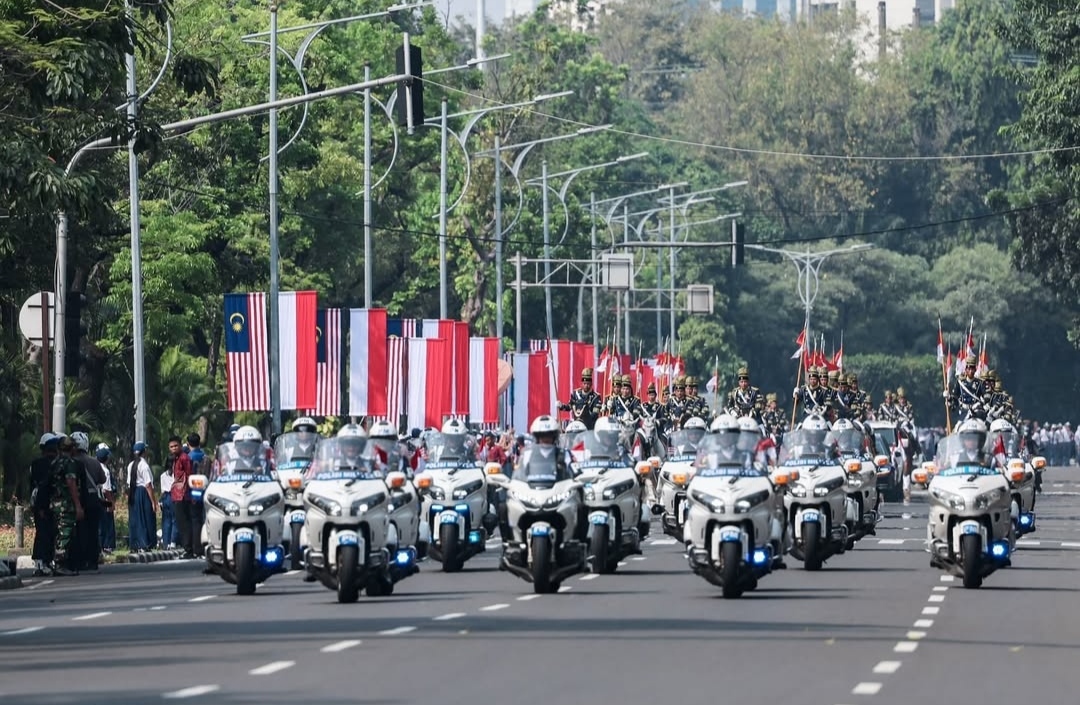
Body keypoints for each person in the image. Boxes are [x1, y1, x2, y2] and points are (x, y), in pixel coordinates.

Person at [50, 435, 84, 576]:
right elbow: (71, 483)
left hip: (54, 503)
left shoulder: (54, 463)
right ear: (72, 448)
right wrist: (78, 505)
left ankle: (60, 562)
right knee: (65, 533)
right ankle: (60, 564)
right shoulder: (69, 463)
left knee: (58, 533)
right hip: (65, 504)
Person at [30, 434, 60, 576]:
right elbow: (44, 487)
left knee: (44, 533)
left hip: (39, 504)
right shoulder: (53, 464)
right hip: (48, 504)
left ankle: (43, 562)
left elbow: (33, 488)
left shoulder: (36, 464)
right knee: (46, 534)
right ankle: (43, 562)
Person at [127, 442, 158, 551]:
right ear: (144, 452)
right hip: (143, 492)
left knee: (135, 518)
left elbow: (129, 483)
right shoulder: (144, 465)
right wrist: (153, 502)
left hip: (133, 492)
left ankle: (135, 544)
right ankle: (145, 543)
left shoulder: (131, 465)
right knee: (146, 517)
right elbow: (148, 484)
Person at [168, 436, 195, 558]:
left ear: (180, 445)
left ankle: (188, 549)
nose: (174, 448)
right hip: (177, 494)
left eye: (175, 446)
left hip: (183, 494)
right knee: (181, 522)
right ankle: (187, 548)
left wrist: (190, 493)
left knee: (184, 523)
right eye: (171, 447)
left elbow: (189, 476)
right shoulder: (176, 459)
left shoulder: (184, 458)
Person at [186, 433, 207, 557]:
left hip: (192, 492)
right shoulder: (205, 457)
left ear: (188, 444)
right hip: (205, 492)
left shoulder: (188, 458)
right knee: (203, 519)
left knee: (194, 521)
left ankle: (196, 547)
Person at [95, 444, 117, 555]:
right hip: (104, 500)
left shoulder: (94, 466)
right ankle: (106, 547)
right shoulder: (105, 471)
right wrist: (111, 503)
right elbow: (106, 490)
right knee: (105, 524)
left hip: (95, 499)